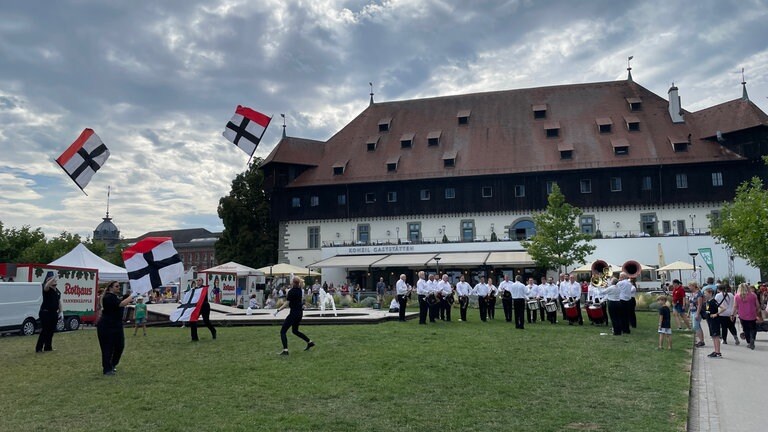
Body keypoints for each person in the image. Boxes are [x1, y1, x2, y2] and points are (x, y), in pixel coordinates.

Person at [97, 281, 134, 375]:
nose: (119, 288)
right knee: (107, 348)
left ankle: (112, 364)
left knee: (120, 346)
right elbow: (121, 304)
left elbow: (121, 302)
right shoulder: (108, 297)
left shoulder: (115, 297)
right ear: (110, 288)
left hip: (116, 325)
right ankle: (107, 369)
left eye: (119, 286)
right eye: (116, 286)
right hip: (106, 326)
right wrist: (133, 296)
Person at [274, 276, 314, 355]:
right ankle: (310, 342)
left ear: (293, 283)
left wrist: (278, 310)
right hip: (299, 313)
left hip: (293, 313)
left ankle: (285, 350)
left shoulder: (291, 291)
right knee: (295, 331)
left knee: (283, 331)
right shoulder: (300, 290)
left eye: (291, 281)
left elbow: (287, 303)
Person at [36, 273, 62, 353]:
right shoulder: (47, 289)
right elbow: (46, 286)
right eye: (51, 280)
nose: (54, 281)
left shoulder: (57, 291)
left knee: (51, 331)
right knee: (45, 330)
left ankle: (48, 347)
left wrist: (61, 312)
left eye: (54, 280)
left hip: (53, 313)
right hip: (45, 312)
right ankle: (39, 348)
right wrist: (52, 278)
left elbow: (59, 301)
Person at [732, 282, 760, 350]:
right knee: (753, 328)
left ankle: (749, 342)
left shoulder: (737, 296)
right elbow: (758, 305)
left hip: (742, 315)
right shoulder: (753, 295)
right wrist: (757, 311)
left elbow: (735, 306)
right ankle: (752, 338)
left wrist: (733, 314)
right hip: (752, 314)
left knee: (746, 329)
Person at [702, 287, 722, 358]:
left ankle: (718, 352)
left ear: (710, 293)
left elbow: (722, 308)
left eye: (705, 293)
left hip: (714, 321)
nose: (704, 294)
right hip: (709, 320)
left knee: (716, 336)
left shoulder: (713, 301)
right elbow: (707, 311)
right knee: (713, 336)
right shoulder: (707, 302)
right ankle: (715, 350)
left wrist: (716, 314)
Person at [689, 281, 705, 347]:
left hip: (696, 311)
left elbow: (700, 304)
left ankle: (701, 341)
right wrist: (688, 312)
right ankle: (701, 340)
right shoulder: (692, 293)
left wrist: (697, 314)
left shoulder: (699, 294)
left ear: (693, 286)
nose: (689, 287)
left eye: (690, 286)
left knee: (695, 326)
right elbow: (690, 303)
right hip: (692, 310)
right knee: (697, 326)